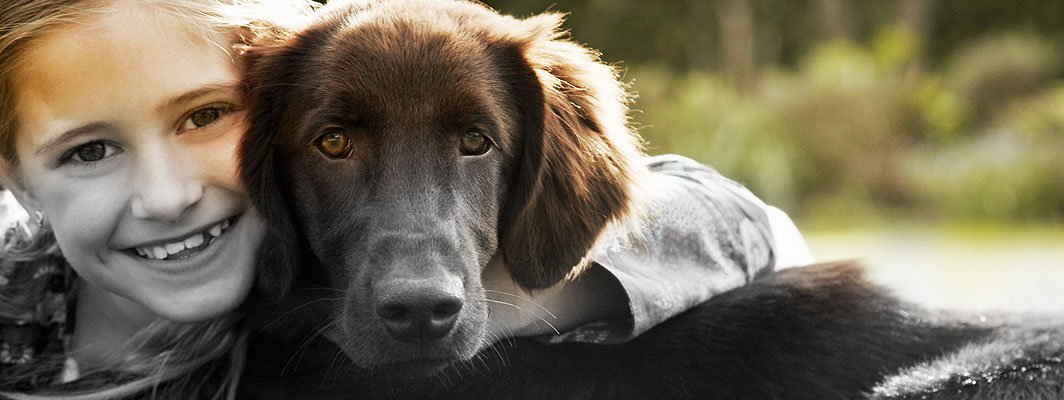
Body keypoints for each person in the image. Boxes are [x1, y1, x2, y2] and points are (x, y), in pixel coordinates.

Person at [0, 0, 813, 398]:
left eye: (203, 116)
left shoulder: (286, 293)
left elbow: (738, 217)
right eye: (89, 150)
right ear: (14, 174)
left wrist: (513, 297)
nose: (167, 195)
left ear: (255, 117)